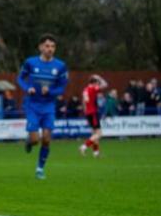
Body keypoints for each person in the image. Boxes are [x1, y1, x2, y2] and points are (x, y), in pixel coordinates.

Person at [18, 34, 69, 179]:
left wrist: (51, 91)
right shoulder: (30, 62)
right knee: (35, 139)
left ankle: (40, 169)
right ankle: (29, 142)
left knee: (46, 139)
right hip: (33, 105)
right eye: (47, 46)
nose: (50, 49)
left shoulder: (60, 66)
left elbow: (62, 87)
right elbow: (20, 78)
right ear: (40, 47)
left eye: (52, 46)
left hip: (48, 106)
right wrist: (28, 88)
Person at [80, 75, 108, 157]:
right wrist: (99, 77)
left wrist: (86, 111)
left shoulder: (85, 90)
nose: (98, 84)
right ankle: (83, 146)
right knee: (99, 134)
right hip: (93, 113)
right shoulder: (93, 88)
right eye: (97, 83)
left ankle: (96, 153)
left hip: (88, 113)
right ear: (94, 82)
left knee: (94, 134)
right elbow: (105, 84)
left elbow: (85, 101)